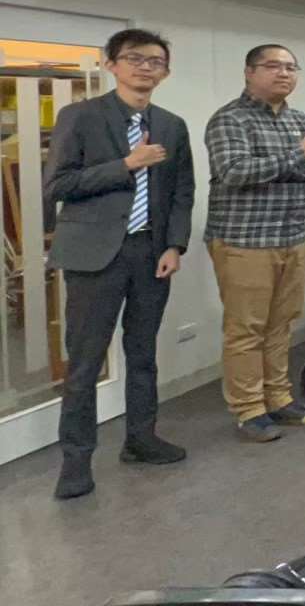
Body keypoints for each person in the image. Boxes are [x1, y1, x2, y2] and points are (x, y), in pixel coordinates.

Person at [45, 29, 194, 499]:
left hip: (151, 253)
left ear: (165, 71)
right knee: (85, 362)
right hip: (94, 256)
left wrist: (174, 245)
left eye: (155, 61)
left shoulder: (171, 124)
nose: (145, 67)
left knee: (143, 354)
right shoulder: (80, 116)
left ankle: (141, 439)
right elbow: (58, 185)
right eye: (134, 58)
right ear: (111, 64)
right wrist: (127, 164)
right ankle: (75, 461)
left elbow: (182, 191)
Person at [205, 44, 305, 443]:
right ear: (249, 72)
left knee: (282, 324)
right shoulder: (230, 119)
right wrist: (297, 156)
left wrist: (290, 162)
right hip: (245, 240)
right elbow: (234, 171)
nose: (284, 73)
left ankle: (278, 398)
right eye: (273, 66)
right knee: (246, 329)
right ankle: (248, 409)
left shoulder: (300, 119)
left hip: (291, 237)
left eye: (291, 67)